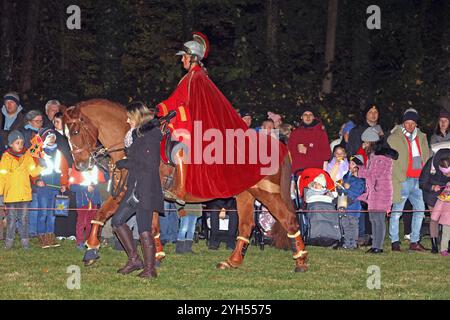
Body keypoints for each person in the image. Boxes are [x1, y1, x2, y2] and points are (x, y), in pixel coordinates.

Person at [156, 32, 287, 203]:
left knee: (180, 145)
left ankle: (180, 190)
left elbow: (191, 105)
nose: (182, 60)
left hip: (195, 125)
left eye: (184, 57)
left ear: (193, 57)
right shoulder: (191, 77)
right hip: (189, 122)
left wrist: (171, 114)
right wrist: (161, 110)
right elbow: (178, 101)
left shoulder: (197, 77)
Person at [112, 102, 164, 279]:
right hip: (137, 185)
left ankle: (149, 269)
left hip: (146, 187)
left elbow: (149, 164)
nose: (127, 120)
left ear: (137, 117)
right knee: (118, 221)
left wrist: (125, 163)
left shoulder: (149, 136)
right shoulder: (137, 136)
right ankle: (135, 260)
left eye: (129, 117)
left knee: (142, 227)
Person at [388, 108, 430, 252]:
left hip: (419, 180)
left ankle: (414, 241)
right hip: (403, 179)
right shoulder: (394, 137)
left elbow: (427, 157)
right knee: (397, 211)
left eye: (413, 123)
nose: (410, 126)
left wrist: (426, 176)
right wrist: (401, 177)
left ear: (416, 124)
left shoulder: (422, 137)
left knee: (419, 211)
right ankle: (394, 242)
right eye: (407, 123)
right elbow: (392, 160)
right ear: (403, 123)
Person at [357, 132, 398, 253]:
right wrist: (359, 167)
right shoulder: (373, 157)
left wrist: (358, 171)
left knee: (379, 220)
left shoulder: (381, 158)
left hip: (381, 193)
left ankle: (378, 247)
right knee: (373, 219)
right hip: (373, 193)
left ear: (371, 143)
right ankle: (375, 245)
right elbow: (370, 173)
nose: (363, 145)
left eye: (365, 142)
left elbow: (373, 174)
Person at [0, 130, 42, 249]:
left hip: (24, 194)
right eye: (17, 142)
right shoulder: (6, 157)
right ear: (11, 144)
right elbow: (1, 177)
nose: (20, 145)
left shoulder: (27, 155)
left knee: (24, 219)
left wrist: (41, 165)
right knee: (11, 219)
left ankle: (25, 242)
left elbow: (33, 172)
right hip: (11, 195)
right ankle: (9, 242)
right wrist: (0, 193)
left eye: (22, 142)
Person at [419, 150, 450, 253]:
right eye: (446, 174)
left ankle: (446, 244)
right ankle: (434, 244)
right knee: (434, 218)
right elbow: (422, 182)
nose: (448, 175)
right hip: (431, 193)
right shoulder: (430, 165)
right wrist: (432, 187)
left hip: (447, 193)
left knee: (447, 218)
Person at [69, 164, 104, 250]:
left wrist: (105, 168)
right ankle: (80, 242)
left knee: (90, 223)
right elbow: (72, 187)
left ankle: (89, 240)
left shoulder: (96, 168)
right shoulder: (77, 167)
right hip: (82, 201)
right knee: (81, 222)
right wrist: (85, 188)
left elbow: (103, 181)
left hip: (94, 201)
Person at [288, 106, 331, 175]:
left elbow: (327, 155)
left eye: (310, 115)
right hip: (298, 173)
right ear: (301, 117)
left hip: (315, 172)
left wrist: (308, 151)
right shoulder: (295, 134)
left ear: (313, 117)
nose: (308, 117)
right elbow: (289, 153)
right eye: (305, 115)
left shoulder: (321, 133)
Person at [340, 155, 366, 249]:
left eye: (353, 164)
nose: (350, 165)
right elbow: (342, 188)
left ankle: (353, 243)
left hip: (354, 207)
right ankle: (347, 243)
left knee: (353, 225)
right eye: (350, 163)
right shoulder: (346, 177)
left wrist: (348, 188)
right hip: (344, 206)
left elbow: (357, 192)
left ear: (358, 167)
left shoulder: (361, 180)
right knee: (345, 224)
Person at [430, 164, 450, 256]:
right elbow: (440, 202)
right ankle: (443, 249)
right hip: (448, 219)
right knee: (446, 234)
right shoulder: (447, 190)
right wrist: (435, 216)